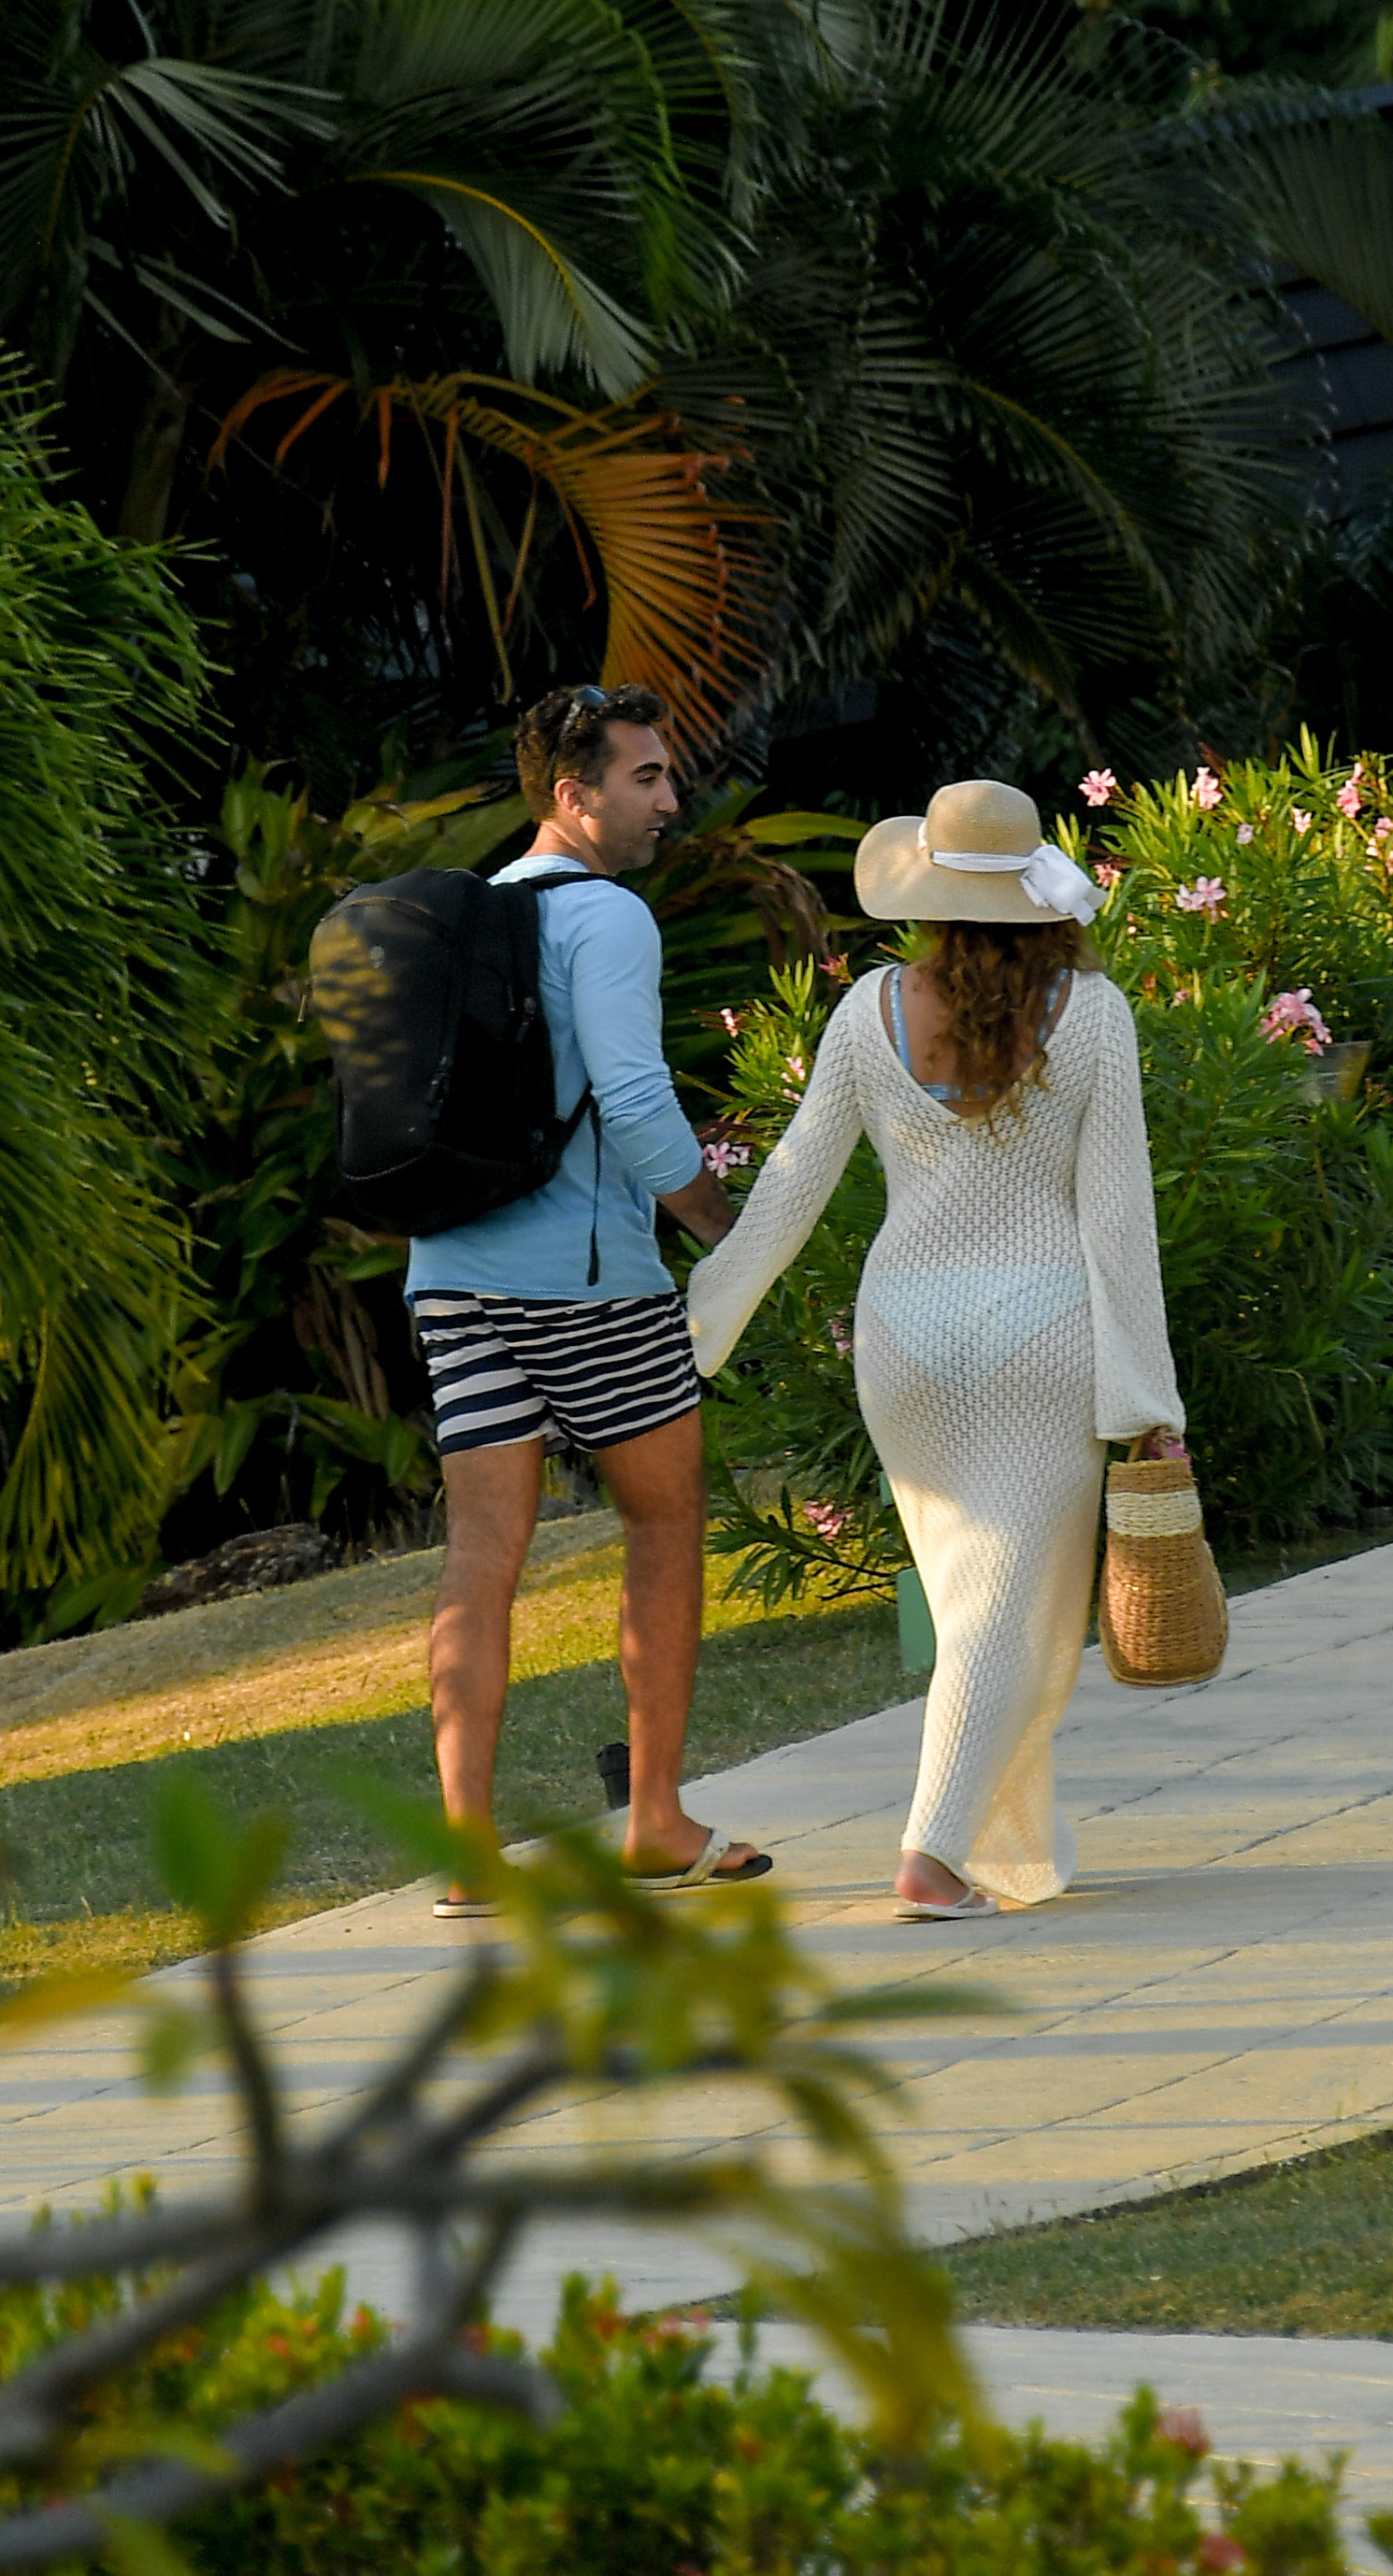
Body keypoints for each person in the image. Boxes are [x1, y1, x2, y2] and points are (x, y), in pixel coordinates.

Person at [685, 777, 1183, 1918]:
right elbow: (1116, 1217)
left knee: (972, 1602)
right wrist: (1147, 1395)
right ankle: (935, 1853)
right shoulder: (1092, 1014)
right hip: (1046, 1335)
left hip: (902, 1339)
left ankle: (958, 1842)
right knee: (1013, 1609)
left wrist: (701, 1328)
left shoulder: (867, 1012)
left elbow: (792, 1185)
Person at [409, 680, 770, 1914]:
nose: (670, 799)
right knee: (665, 1524)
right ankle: (657, 1819)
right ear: (573, 795)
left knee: (479, 1557)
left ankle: (466, 1858)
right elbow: (633, 1103)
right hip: (586, 1283)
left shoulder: (474, 910)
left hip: (449, 1269)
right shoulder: (606, 921)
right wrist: (726, 1229)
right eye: (645, 778)